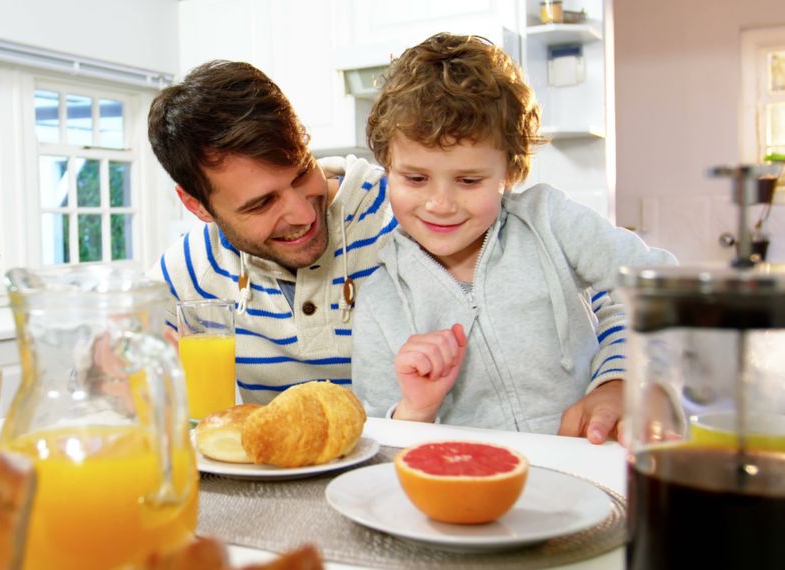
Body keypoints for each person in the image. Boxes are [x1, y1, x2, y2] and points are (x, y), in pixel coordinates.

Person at [350, 33, 676, 443]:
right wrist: (416, 407)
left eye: (469, 180)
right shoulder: (381, 297)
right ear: (387, 167)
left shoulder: (550, 221)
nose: (440, 203)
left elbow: (665, 290)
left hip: (585, 460)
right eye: (415, 178)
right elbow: (377, 437)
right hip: (470, 488)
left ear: (510, 170)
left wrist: (618, 380)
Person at [147, 60, 397, 404]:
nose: (303, 213)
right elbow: (103, 369)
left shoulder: (403, 217)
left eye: (302, 174)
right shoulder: (192, 268)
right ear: (197, 206)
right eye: (262, 203)